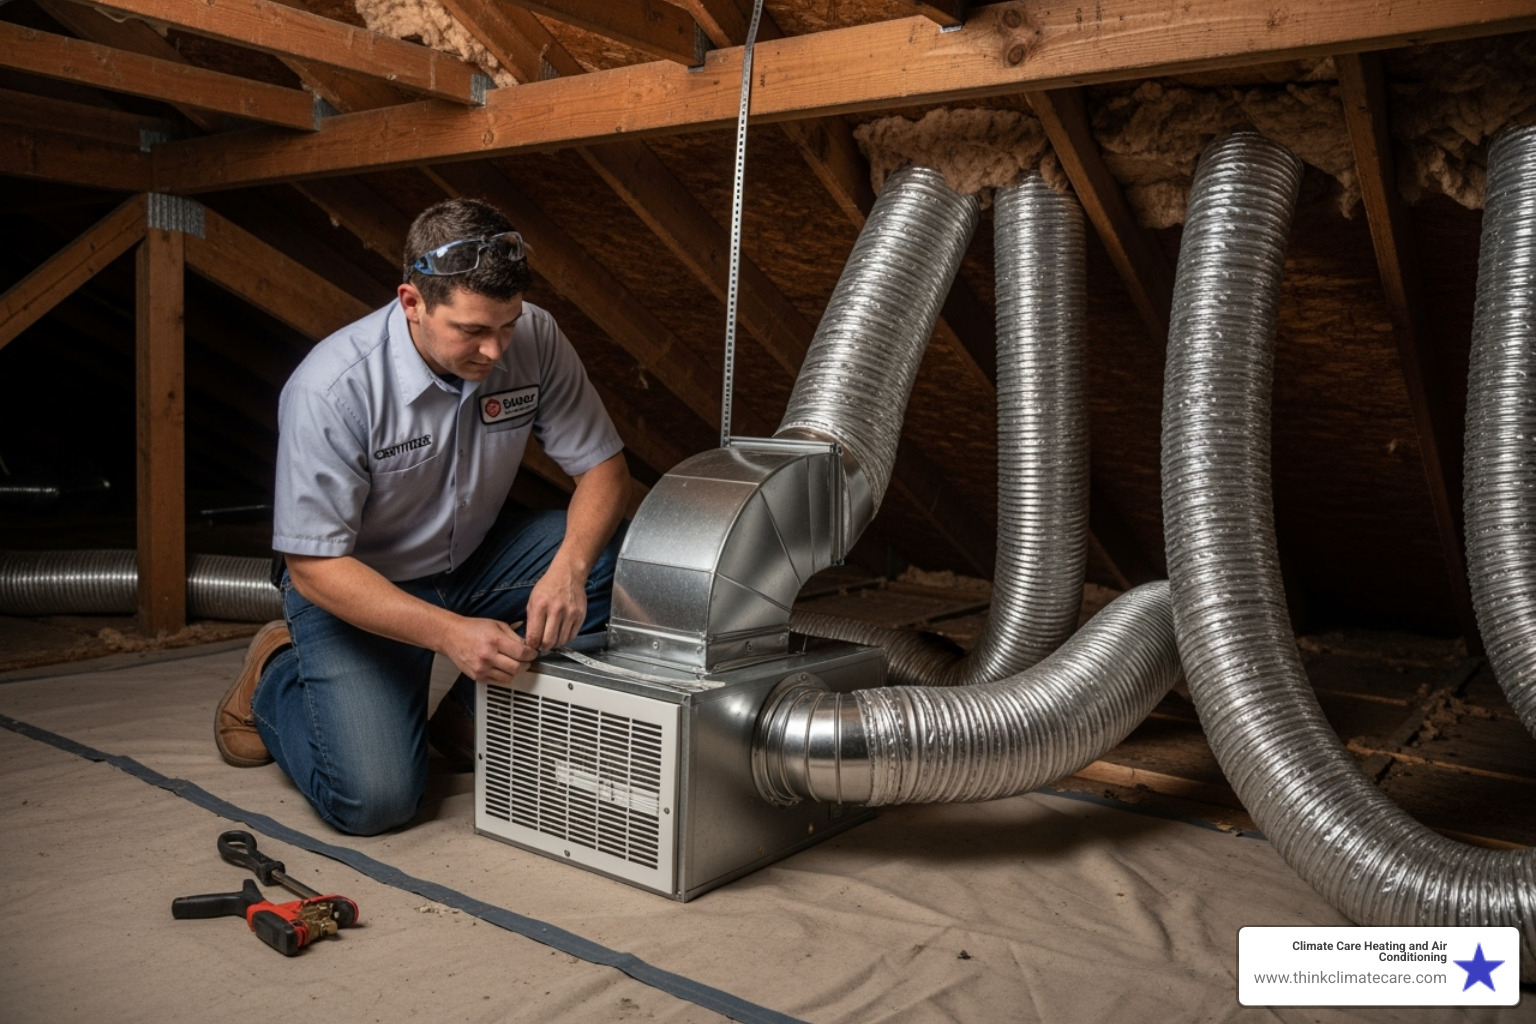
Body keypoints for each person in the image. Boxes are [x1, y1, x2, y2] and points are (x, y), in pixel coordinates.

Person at [214, 197, 630, 836]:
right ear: (412, 301)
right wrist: (449, 634)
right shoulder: (331, 390)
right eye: (471, 331)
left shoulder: (535, 335)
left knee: (617, 558)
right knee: (376, 802)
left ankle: (469, 716)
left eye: (508, 325)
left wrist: (569, 569)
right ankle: (276, 676)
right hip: (356, 587)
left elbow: (603, 470)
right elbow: (315, 567)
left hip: (475, 560)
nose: (495, 351)